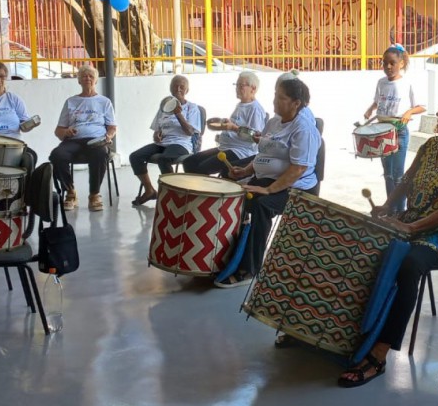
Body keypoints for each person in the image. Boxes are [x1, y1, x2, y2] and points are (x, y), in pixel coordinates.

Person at [339, 89, 438, 387]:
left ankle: (379, 353)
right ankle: (350, 331)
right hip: (416, 222)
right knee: (367, 241)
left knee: (409, 262)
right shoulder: (431, 145)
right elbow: (407, 180)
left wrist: (412, 229)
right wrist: (388, 206)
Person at [217, 77, 321, 288]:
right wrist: (244, 171)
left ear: (296, 103)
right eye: (275, 95)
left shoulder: (304, 129)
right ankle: (228, 256)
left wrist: (268, 189)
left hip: (298, 187)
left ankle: (250, 268)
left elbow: (298, 169)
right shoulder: (274, 121)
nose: (274, 101)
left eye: (281, 98)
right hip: (270, 179)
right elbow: (264, 152)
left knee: (260, 205)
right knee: (234, 196)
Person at [361, 44, 425, 210]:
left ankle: (400, 211)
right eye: (385, 63)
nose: (388, 67)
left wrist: (409, 112)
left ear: (401, 63)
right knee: (388, 174)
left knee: (398, 175)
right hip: (382, 132)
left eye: (392, 63)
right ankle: (390, 208)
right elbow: (378, 101)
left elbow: (422, 106)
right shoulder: (381, 82)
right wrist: (370, 109)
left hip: (399, 132)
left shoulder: (408, 83)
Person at [50, 66, 117, 212]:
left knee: (100, 154)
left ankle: (94, 194)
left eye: (91, 76)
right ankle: (70, 192)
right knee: (57, 155)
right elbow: (58, 131)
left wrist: (108, 136)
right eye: (84, 76)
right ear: (79, 80)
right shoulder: (71, 102)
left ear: (96, 80)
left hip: (96, 140)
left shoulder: (104, 102)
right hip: (73, 141)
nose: (87, 78)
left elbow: (112, 127)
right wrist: (66, 131)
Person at [130, 75, 202, 205]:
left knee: (163, 159)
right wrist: (156, 135)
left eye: (182, 86)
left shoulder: (192, 108)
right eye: (175, 86)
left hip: (181, 143)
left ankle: (174, 195)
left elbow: (190, 132)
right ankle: (149, 190)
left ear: (187, 90)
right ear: (170, 89)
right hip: (163, 143)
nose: (178, 89)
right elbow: (156, 129)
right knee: (135, 156)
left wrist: (178, 113)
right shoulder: (164, 107)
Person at [184, 71, 268, 176]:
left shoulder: (256, 109)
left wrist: (233, 128)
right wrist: (225, 128)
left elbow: (255, 137)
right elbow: (236, 126)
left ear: (253, 88)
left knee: (202, 169)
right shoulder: (241, 105)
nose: (237, 88)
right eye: (236, 85)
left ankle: (204, 191)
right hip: (225, 147)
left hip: (240, 152)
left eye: (241, 85)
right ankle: (193, 191)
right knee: (189, 162)